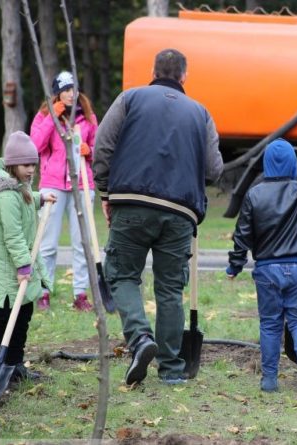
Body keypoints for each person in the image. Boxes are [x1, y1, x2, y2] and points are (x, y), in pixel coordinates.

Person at [93, 48, 223, 385]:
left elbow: (102, 148)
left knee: (121, 274)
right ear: (184, 76)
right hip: (180, 212)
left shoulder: (129, 99)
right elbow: (214, 169)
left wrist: (106, 192)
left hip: (130, 203)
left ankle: (139, 338)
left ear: (153, 71)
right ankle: (172, 370)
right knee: (169, 290)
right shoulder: (201, 113)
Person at [226, 139, 297, 394]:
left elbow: (243, 234)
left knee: (270, 324)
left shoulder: (255, 194)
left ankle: (269, 379)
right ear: (293, 165)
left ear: (267, 164)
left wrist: (235, 265)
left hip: (267, 269)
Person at [0, 131, 56, 383]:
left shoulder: (18, 188)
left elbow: (23, 201)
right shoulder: (3, 196)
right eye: (26, 165)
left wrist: (39, 198)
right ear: (12, 165)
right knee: (3, 317)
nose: (31, 170)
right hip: (4, 269)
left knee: (23, 315)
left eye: (34, 164)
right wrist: (24, 264)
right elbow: (13, 236)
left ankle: (14, 364)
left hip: (16, 266)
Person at [30, 71, 98, 312]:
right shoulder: (45, 114)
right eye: (66, 90)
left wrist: (89, 150)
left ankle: (80, 294)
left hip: (81, 185)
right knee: (47, 244)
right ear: (57, 92)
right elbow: (34, 146)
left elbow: (100, 147)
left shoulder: (87, 116)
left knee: (82, 244)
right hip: (53, 185)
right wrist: (52, 117)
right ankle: (43, 292)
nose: (71, 94)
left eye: (74, 89)